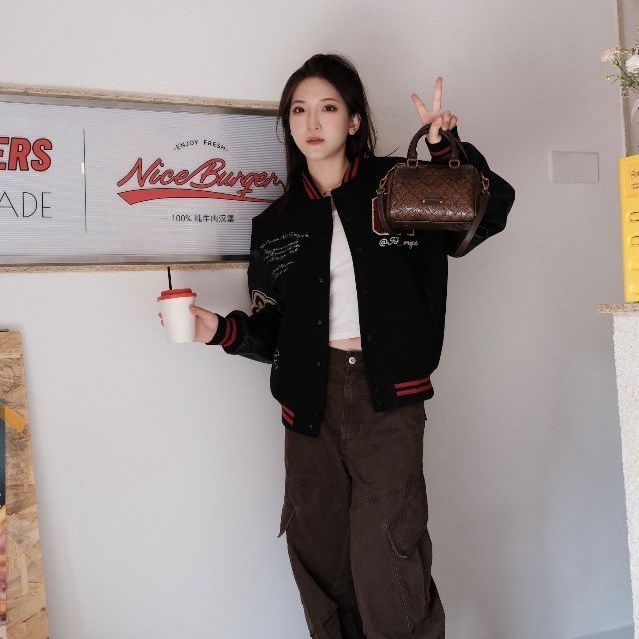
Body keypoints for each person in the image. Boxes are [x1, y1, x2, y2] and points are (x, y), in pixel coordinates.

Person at [160, 53, 515, 639]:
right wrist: (219, 330)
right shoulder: (276, 223)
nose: (312, 122)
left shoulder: (400, 184)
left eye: (327, 107)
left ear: (353, 121)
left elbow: (491, 210)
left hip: (387, 396)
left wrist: (445, 151)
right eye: (299, 110)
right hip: (309, 403)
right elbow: (275, 330)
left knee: (387, 553)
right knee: (320, 554)